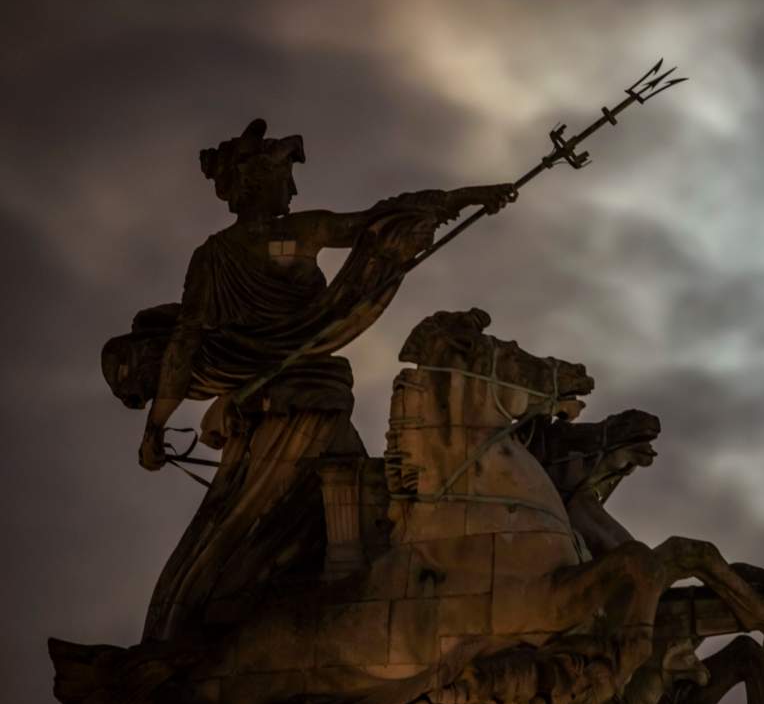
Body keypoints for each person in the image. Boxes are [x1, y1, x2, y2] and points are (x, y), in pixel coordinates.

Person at [128, 118, 516, 641]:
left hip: (281, 403)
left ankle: (344, 595)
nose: (292, 187)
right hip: (297, 402)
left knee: (341, 498)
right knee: (322, 505)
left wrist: (157, 425)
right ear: (257, 183)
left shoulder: (218, 256)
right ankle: (340, 596)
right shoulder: (287, 236)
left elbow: (184, 346)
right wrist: (465, 197)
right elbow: (379, 220)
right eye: (283, 176)